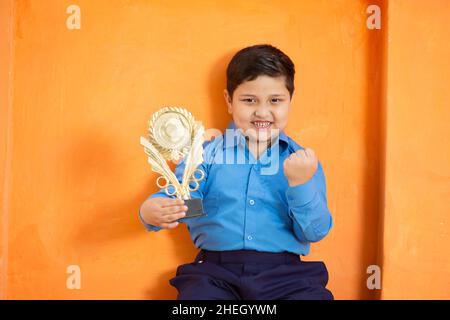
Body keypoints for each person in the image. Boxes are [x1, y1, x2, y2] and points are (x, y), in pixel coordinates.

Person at [139, 44, 333, 300]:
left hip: (287, 278)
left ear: (290, 101)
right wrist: (153, 211)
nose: (262, 112)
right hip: (215, 274)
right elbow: (188, 204)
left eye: (275, 100)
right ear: (229, 101)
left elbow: (313, 232)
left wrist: (300, 184)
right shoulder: (205, 154)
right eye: (249, 100)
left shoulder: (303, 163)